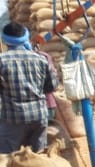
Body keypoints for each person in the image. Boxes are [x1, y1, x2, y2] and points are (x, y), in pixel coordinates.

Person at [0, 22, 58, 154]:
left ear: (4, 40)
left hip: (13, 119)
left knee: (6, 158)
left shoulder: (1, 61)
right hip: (39, 117)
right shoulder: (41, 59)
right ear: (26, 38)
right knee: (38, 157)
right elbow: (52, 87)